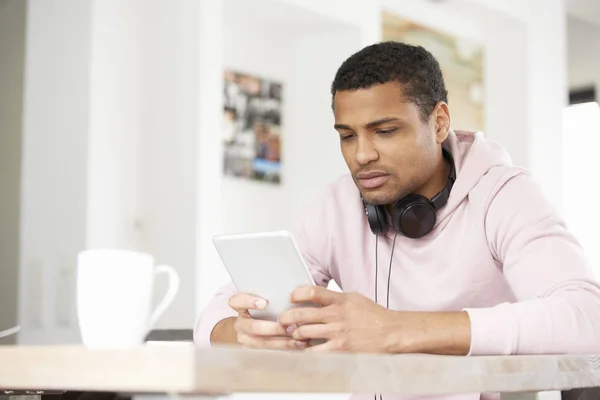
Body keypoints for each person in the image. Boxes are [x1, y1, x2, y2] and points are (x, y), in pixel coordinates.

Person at [193, 41, 600, 398]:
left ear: (439, 122)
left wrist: (395, 330)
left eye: (385, 131)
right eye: (347, 136)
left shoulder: (503, 194)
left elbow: (587, 317)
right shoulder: (340, 203)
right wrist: (238, 332)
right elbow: (213, 312)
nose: (361, 155)